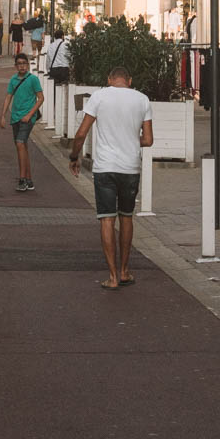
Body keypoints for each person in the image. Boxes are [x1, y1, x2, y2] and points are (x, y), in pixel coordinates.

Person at [69, 67, 153, 289]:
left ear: (109, 80)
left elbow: (81, 134)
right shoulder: (142, 100)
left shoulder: (99, 97)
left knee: (107, 219)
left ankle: (113, 277)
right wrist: (131, 140)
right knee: (126, 217)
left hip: (105, 167)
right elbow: (149, 140)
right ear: (129, 79)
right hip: (130, 168)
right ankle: (125, 271)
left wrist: (74, 156)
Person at [0, 53, 44, 192]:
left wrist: (30, 114)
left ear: (28, 64)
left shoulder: (33, 79)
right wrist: (2, 115)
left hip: (27, 118)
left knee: (20, 143)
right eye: (19, 64)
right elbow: (8, 97)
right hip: (15, 117)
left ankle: (22, 179)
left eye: (24, 63)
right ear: (15, 66)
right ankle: (29, 180)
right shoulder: (13, 80)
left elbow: (41, 98)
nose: (22, 66)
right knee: (22, 147)